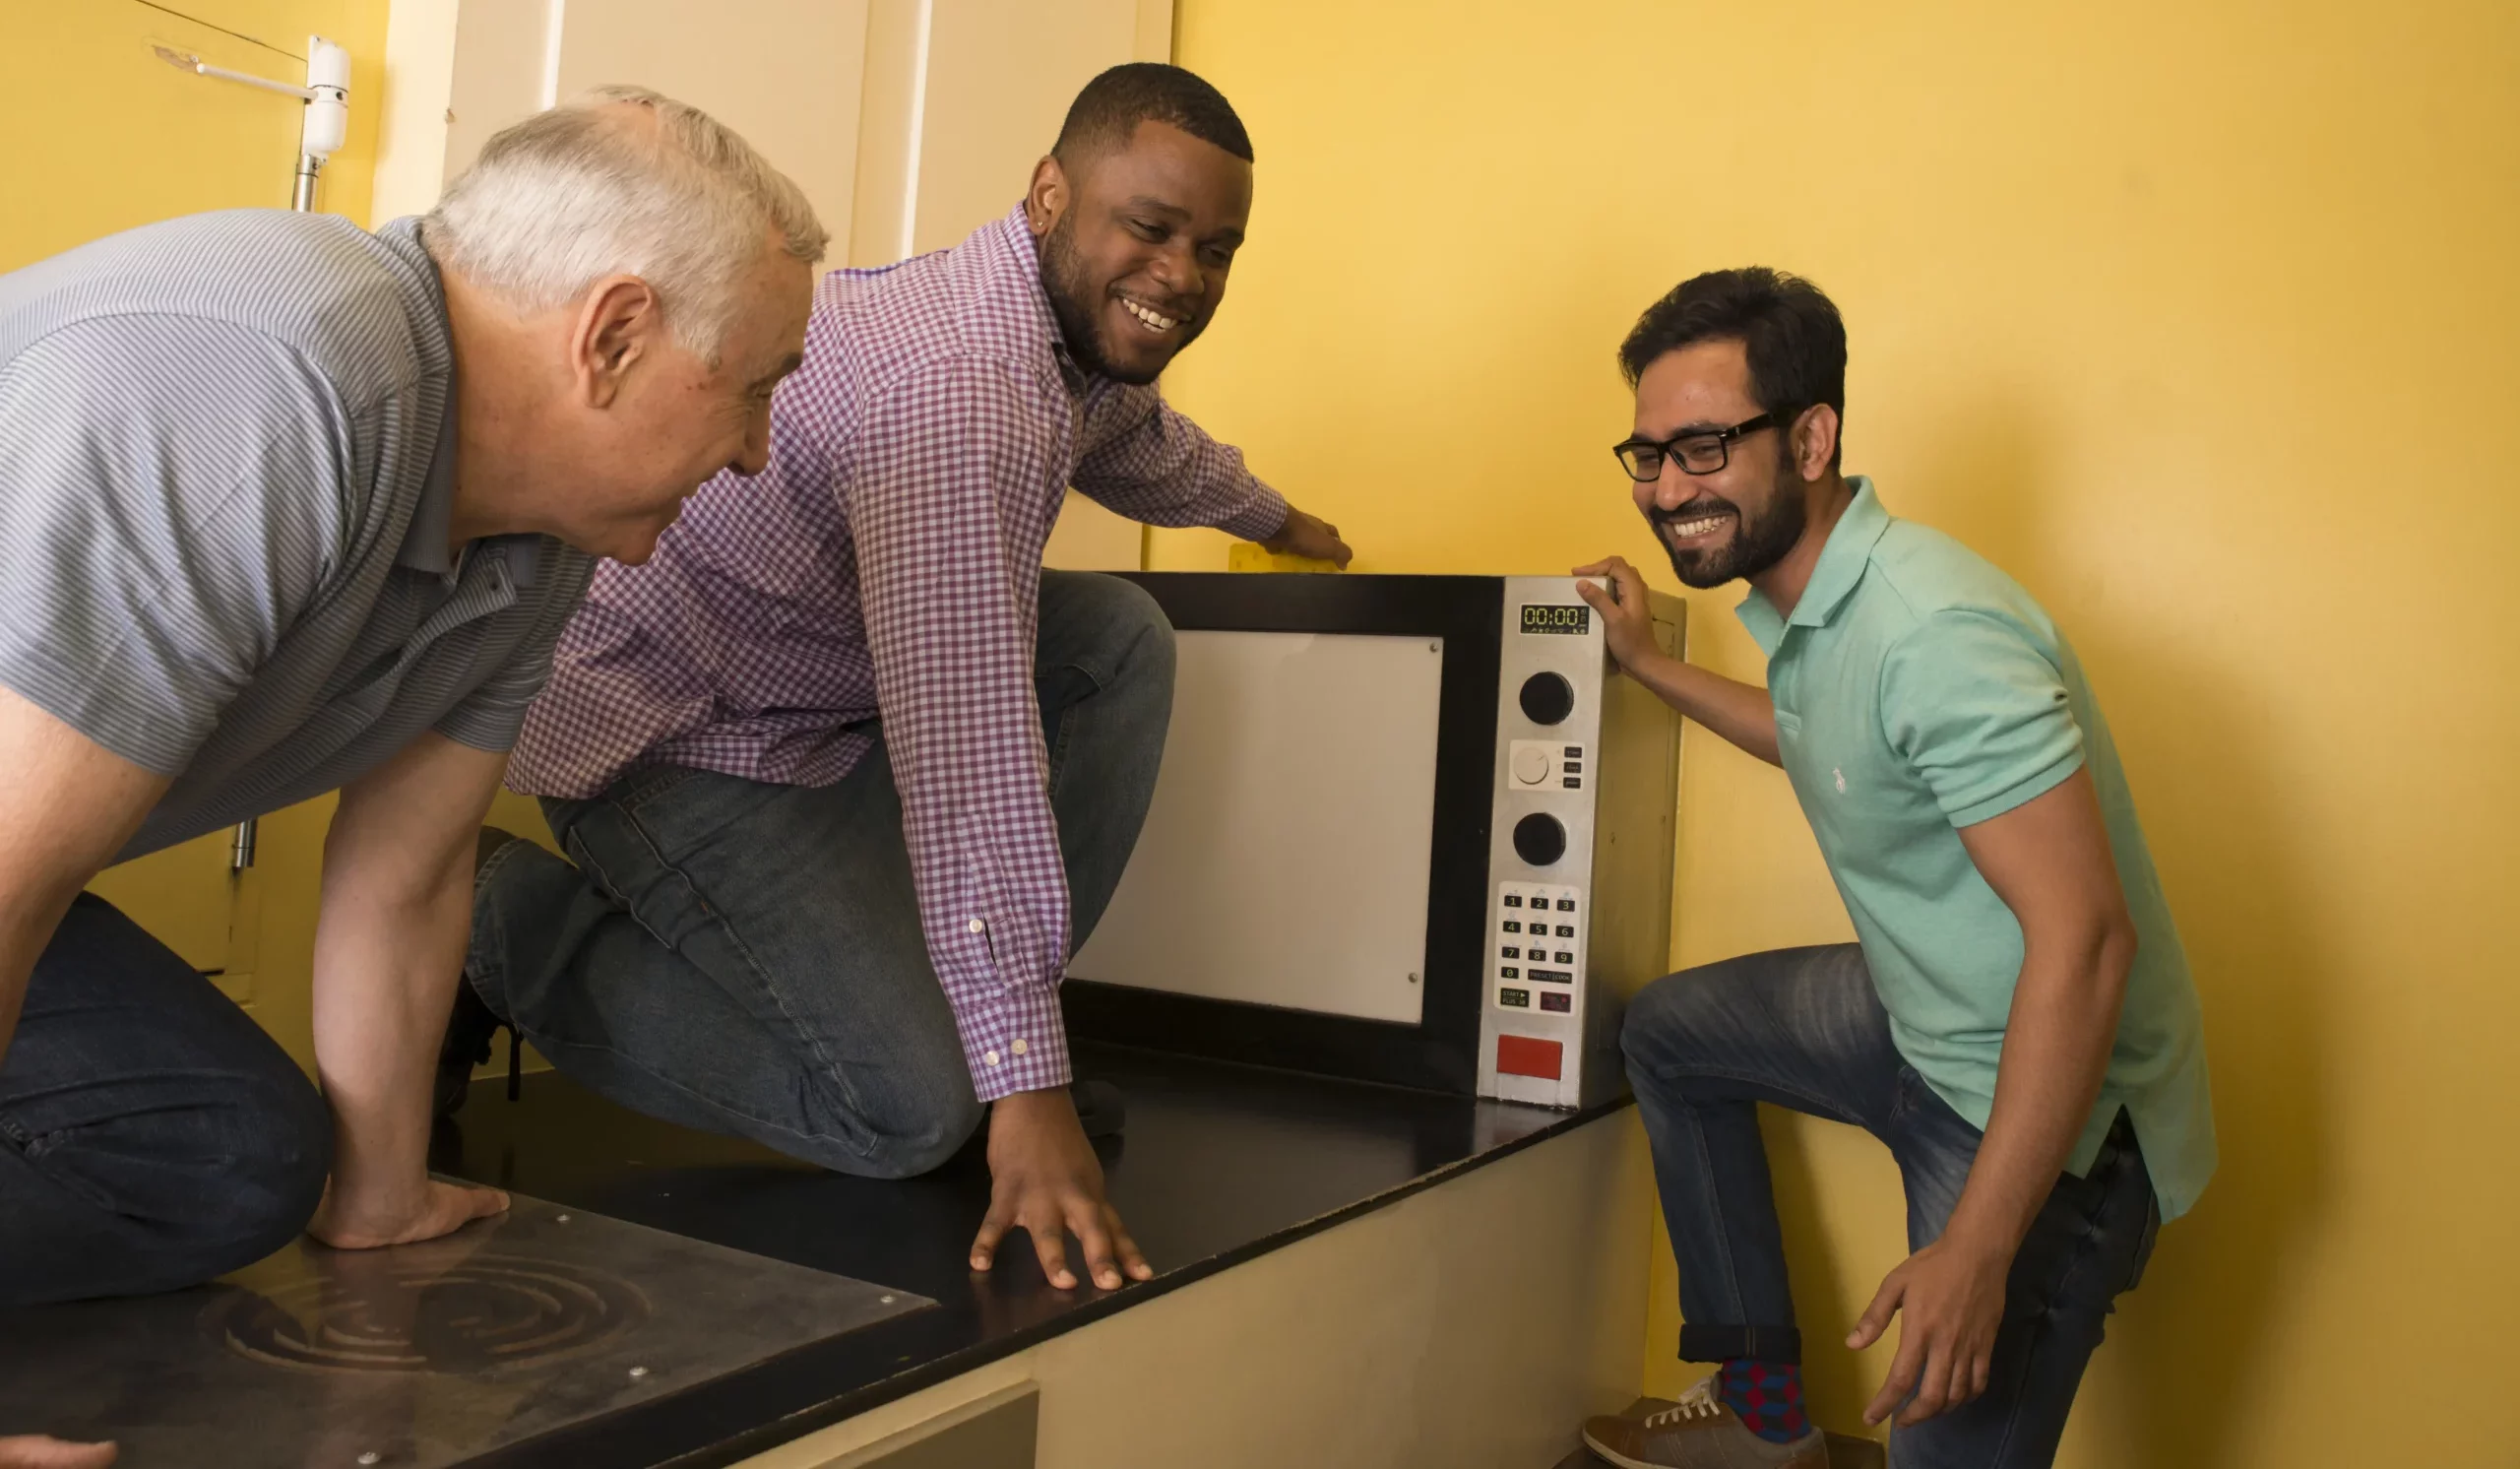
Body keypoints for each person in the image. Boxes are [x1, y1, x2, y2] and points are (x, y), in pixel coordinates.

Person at [461, 62, 1351, 1296]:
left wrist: (1280, 516)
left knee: (1115, 641)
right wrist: (1027, 1089)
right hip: (673, 732)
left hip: (813, 699)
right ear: (1050, 194)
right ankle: (494, 927)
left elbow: (1133, 440)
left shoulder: (1048, 327)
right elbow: (968, 760)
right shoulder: (962, 393)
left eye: (1217, 249)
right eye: (1150, 229)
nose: (1184, 277)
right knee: (903, 1118)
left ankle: (996, 1037)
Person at [0, 88, 817, 1308]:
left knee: (237, 1159)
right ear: (613, 337)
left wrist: (382, 1194)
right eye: (754, 384)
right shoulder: (275, 385)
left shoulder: (539, 535)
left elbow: (411, 869)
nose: (756, 449)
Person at [1570, 270, 2213, 1469]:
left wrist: (1977, 1250)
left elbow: (2085, 942)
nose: (1668, 488)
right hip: (1918, 1020)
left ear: (1810, 438)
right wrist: (1649, 665)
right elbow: (1822, 736)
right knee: (1669, 1032)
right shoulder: (1827, 609)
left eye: (1704, 446)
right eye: (1648, 454)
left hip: (2038, 1103)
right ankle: (1761, 1403)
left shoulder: (1932, 631)